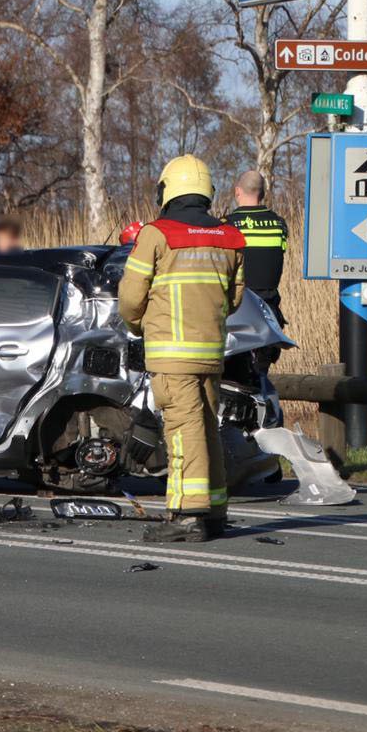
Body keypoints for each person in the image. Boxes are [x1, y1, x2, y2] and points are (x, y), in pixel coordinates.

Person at [118, 154, 245, 543]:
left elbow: (130, 298)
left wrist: (139, 324)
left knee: (181, 430)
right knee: (206, 429)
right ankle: (216, 511)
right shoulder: (230, 238)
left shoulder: (157, 235)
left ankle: (188, 515)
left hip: (172, 355)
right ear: (207, 191)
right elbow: (235, 298)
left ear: (167, 190)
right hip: (210, 352)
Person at [224, 170, 290, 327]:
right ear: (263, 193)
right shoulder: (279, 225)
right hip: (270, 315)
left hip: (237, 315)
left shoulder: (227, 226)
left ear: (237, 191)